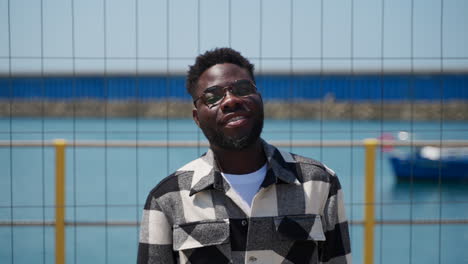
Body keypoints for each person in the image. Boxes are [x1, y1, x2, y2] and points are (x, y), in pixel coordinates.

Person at [137, 48, 351, 264]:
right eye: (213, 96)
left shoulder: (319, 182)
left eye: (242, 88)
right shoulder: (167, 198)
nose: (231, 100)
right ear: (197, 117)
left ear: (259, 98)